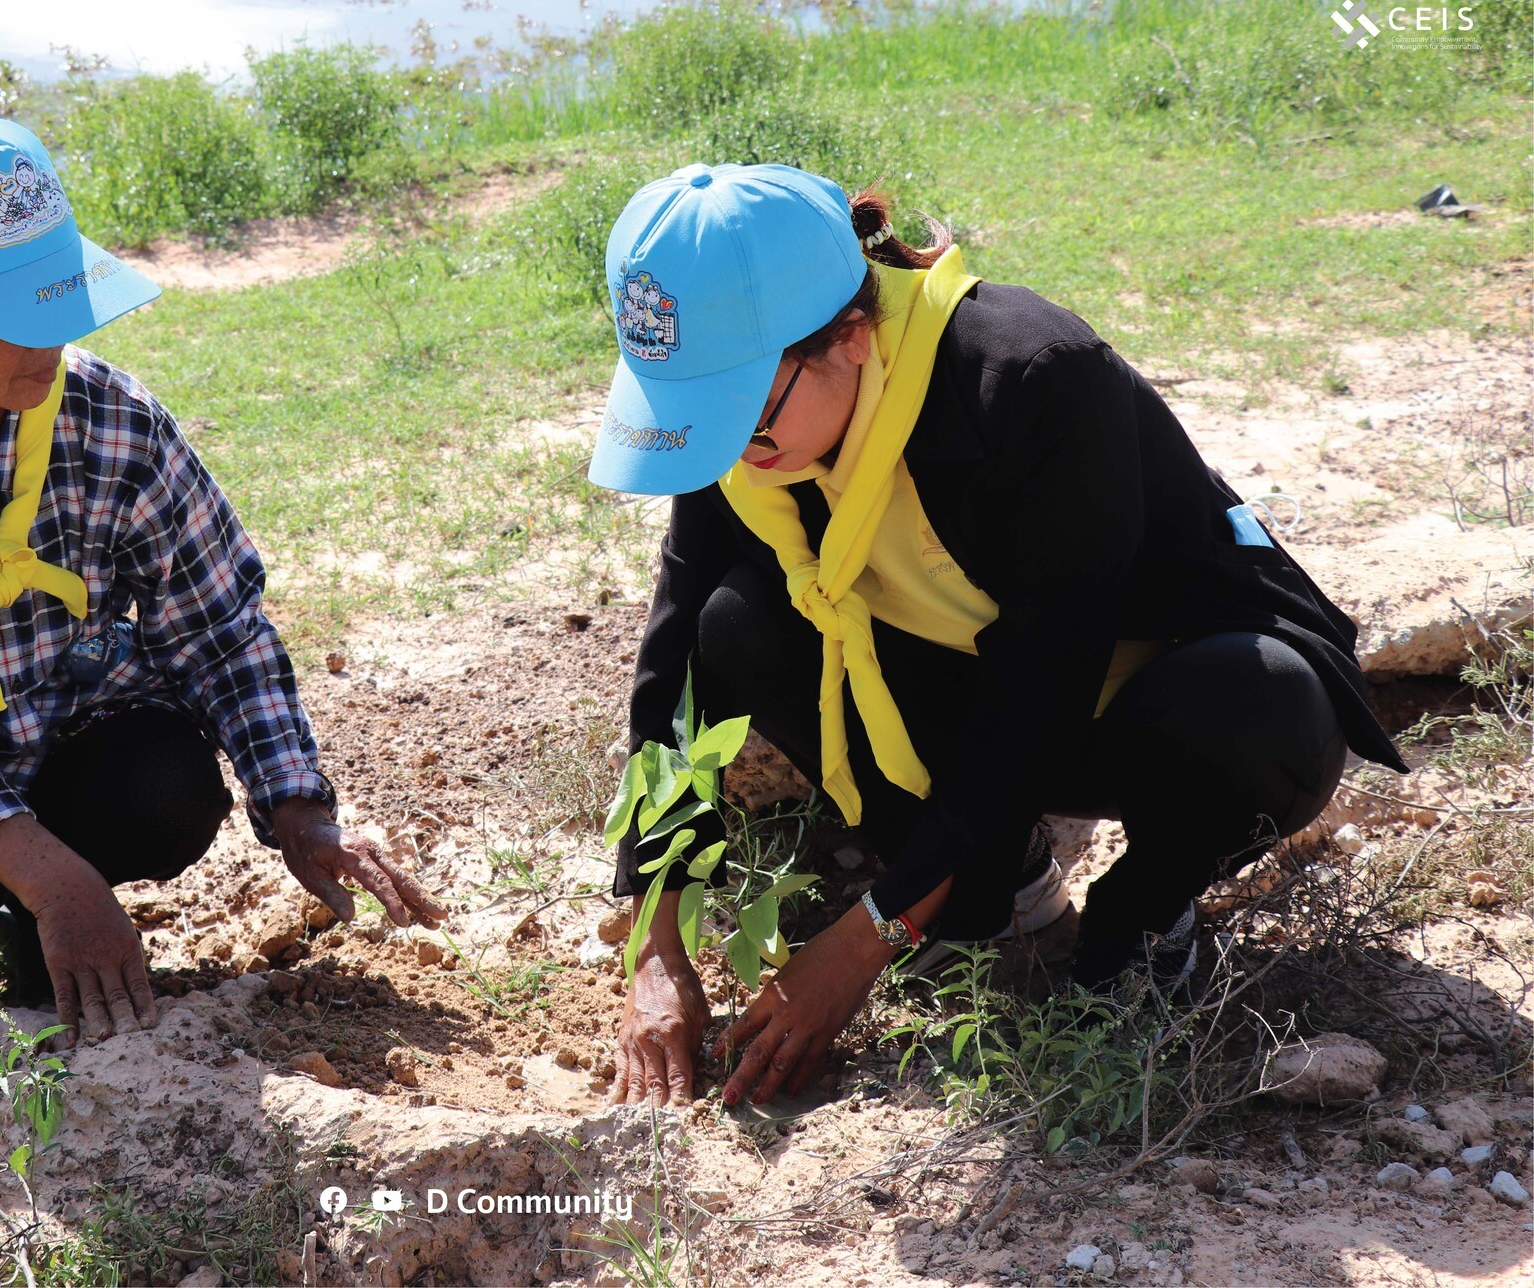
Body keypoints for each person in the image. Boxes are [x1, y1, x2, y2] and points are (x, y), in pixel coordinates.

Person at [587, 163, 1406, 1109]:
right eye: (693, 413)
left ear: (851, 339)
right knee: (735, 625)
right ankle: (999, 895)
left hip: (1143, 690)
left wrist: (863, 941)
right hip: (979, 680)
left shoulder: (1029, 381)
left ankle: (1133, 930)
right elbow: (675, 666)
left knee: (1262, 704)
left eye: (740, 411)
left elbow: (1041, 691)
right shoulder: (747, 435)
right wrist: (654, 941)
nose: (723, 449)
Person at [0, 115, 442, 1044]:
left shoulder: (109, 419)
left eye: (60, 295)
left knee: (167, 786)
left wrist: (302, 812)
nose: (56, 333)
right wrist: (56, 881)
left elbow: (219, 628)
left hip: (57, 730)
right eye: (18, 313)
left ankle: (43, 939)